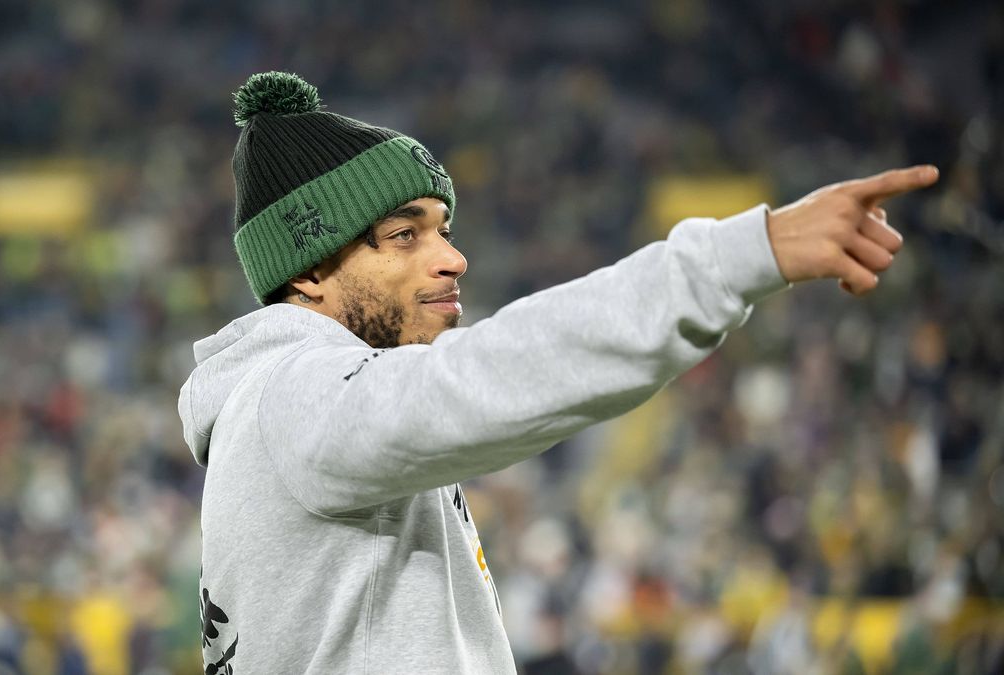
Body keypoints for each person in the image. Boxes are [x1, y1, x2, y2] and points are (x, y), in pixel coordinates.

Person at [177, 71, 938, 673]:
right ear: (310, 270)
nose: (452, 257)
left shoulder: (281, 408)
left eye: (445, 229)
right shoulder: (294, 397)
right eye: (405, 234)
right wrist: (742, 256)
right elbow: (489, 376)